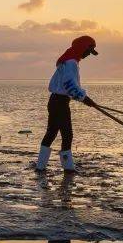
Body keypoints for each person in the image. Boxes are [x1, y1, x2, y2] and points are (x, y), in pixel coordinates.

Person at [36, 36, 98, 173]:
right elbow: (69, 85)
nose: (88, 54)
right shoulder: (70, 63)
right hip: (60, 103)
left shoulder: (68, 61)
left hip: (56, 101)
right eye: (88, 51)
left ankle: (40, 167)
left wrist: (83, 98)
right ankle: (68, 168)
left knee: (51, 133)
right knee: (67, 135)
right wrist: (85, 99)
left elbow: (69, 86)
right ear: (82, 48)